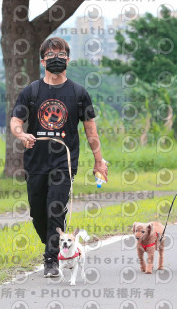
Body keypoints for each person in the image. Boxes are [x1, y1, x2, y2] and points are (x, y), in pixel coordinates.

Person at [10, 37, 108, 278]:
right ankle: (55, 244)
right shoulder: (31, 91)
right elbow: (15, 121)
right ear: (42, 60)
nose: (57, 58)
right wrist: (22, 134)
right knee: (38, 212)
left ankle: (51, 259)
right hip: (36, 161)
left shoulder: (78, 93)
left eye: (61, 54)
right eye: (51, 54)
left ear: (68, 59)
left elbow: (90, 130)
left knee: (56, 208)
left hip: (64, 161)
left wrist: (99, 160)